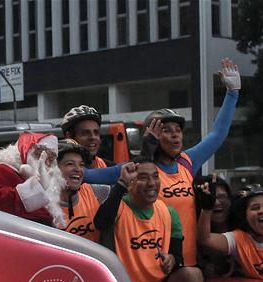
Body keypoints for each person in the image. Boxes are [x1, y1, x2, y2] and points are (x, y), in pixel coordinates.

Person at [85, 58, 242, 268]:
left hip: (188, 262)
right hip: (150, 266)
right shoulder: (136, 170)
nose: (176, 136)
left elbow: (218, 134)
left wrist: (232, 93)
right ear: (152, 135)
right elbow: (86, 175)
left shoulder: (187, 162)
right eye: (166, 130)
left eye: (178, 131)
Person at [94, 158, 204, 282]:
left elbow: (177, 257)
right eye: (143, 178)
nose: (152, 183)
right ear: (130, 183)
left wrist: (172, 260)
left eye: (155, 177)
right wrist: (121, 183)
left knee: (194, 275)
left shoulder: (168, 212)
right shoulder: (119, 207)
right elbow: (100, 222)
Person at [0, 132, 66, 227]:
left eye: (50, 159)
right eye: (41, 155)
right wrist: (33, 189)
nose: (46, 163)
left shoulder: (45, 184)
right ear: (26, 151)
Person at [56, 139, 112, 242]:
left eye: (81, 165)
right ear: (54, 168)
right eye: (70, 164)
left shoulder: (94, 192)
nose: (78, 169)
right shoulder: (43, 206)